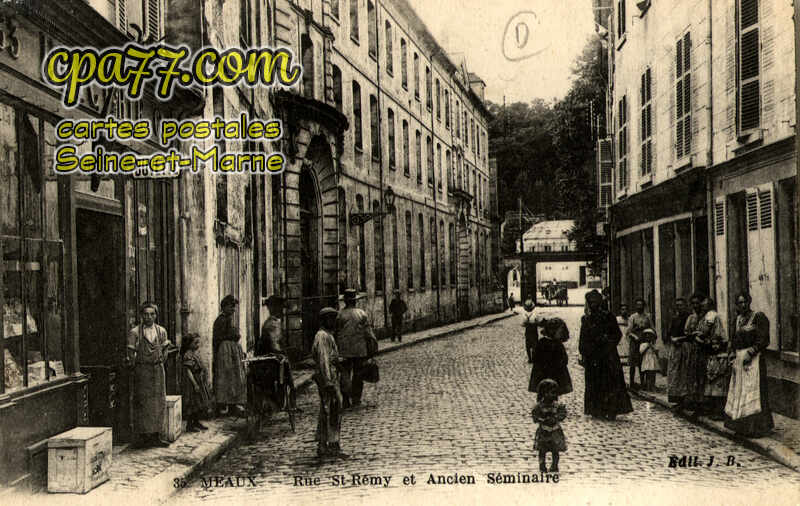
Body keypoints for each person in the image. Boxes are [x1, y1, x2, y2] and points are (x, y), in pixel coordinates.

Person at [724, 292, 774, 437]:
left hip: (754, 359)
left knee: (753, 392)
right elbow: (734, 339)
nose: (742, 305)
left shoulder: (758, 317)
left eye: (745, 302)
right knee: (740, 392)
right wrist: (733, 353)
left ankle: (757, 428)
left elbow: (763, 339)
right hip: (740, 359)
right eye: (739, 303)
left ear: (749, 302)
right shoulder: (738, 319)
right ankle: (742, 426)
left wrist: (751, 352)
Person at [578, 290, 633, 420]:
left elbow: (617, 334)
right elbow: (583, 338)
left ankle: (612, 409)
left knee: (611, 383)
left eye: (595, 302)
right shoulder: (586, 319)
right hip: (593, 357)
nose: (593, 305)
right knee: (594, 383)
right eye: (590, 303)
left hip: (608, 356)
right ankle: (596, 409)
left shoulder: (608, 316)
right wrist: (584, 352)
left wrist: (608, 343)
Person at [126, 302, 172, 447]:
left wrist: (161, 359)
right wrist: (136, 365)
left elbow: (165, 349)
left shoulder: (161, 331)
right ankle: (143, 437)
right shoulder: (135, 332)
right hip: (142, 370)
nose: (149, 317)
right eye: (146, 314)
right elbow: (130, 353)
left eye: (152, 314)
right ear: (141, 315)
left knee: (158, 401)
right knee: (143, 402)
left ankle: (156, 436)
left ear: (156, 315)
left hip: (157, 370)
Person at [312, 307, 347, 458]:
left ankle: (323, 444)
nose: (333, 322)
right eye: (330, 319)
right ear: (324, 320)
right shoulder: (322, 337)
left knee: (328, 409)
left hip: (331, 376)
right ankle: (332, 444)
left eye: (334, 319)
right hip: (327, 378)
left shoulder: (327, 335)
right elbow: (323, 360)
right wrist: (328, 382)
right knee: (332, 409)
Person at [336, 289, 377, 408]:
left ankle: (345, 400)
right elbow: (368, 333)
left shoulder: (340, 315)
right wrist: (373, 347)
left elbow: (336, 332)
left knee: (344, 374)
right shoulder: (361, 314)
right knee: (358, 375)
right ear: (355, 301)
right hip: (359, 350)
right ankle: (356, 399)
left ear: (345, 302)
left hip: (343, 351)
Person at [258, 295, 299, 411]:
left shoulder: (273, 322)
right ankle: (286, 402)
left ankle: (289, 402)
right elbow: (273, 344)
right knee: (286, 377)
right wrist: (282, 352)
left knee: (287, 374)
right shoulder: (272, 324)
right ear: (273, 308)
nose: (281, 310)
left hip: (272, 356)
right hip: (271, 358)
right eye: (279, 308)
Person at [212, 295, 246, 416]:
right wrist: (233, 337)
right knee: (226, 377)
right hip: (225, 352)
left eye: (234, 307)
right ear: (224, 307)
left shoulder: (229, 319)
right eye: (231, 307)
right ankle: (224, 405)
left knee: (234, 377)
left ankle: (233, 404)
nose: (233, 309)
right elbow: (218, 339)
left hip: (232, 352)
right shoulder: (220, 320)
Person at [681, 293, 712, 417]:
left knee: (705, 377)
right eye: (693, 303)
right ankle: (695, 404)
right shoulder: (691, 318)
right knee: (694, 377)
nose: (695, 305)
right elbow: (686, 332)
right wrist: (692, 335)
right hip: (693, 350)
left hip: (705, 351)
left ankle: (704, 405)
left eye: (697, 303)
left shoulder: (707, 317)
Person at [700, 298, 729, 420]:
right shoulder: (708, 316)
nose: (703, 308)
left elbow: (709, 333)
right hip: (712, 351)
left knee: (718, 384)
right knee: (712, 383)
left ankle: (719, 411)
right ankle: (713, 409)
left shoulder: (713, 316)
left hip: (718, 352)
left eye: (704, 306)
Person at [529, 318, 573, 396]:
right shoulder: (552, 344)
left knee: (551, 394)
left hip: (550, 374)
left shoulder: (547, 343)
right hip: (548, 374)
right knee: (545, 393)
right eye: (560, 332)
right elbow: (536, 358)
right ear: (552, 331)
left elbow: (564, 359)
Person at [532, 379, 567, 473]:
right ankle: (542, 465)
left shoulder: (558, 406)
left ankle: (555, 465)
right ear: (543, 393)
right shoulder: (539, 406)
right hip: (543, 430)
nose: (553, 395)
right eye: (550, 393)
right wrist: (542, 419)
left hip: (555, 430)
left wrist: (556, 418)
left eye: (554, 393)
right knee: (542, 450)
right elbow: (535, 416)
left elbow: (563, 414)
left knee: (555, 450)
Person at [181, 333, 211, 432]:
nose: (198, 345)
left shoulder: (194, 353)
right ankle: (190, 425)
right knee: (192, 403)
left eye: (198, 342)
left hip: (198, 380)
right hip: (192, 382)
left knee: (199, 402)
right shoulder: (188, 355)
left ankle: (196, 422)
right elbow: (188, 371)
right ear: (189, 344)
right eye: (195, 343)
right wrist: (195, 384)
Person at [666, 298, 692, 410]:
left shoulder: (689, 318)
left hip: (685, 347)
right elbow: (670, 332)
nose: (679, 307)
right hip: (675, 348)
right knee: (674, 373)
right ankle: (677, 400)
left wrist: (680, 339)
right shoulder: (675, 319)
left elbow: (690, 334)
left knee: (683, 373)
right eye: (677, 305)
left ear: (685, 306)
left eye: (681, 305)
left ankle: (685, 400)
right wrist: (672, 338)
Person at [626, 298, 654, 390]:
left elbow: (652, 328)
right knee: (632, 363)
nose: (639, 307)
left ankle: (643, 383)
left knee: (642, 362)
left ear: (644, 306)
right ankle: (632, 382)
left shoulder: (647, 317)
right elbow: (628, 332)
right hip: (634, 342)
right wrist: (635, 337)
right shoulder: (632, 317)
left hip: (643, 342)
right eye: (637, 305)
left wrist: (650, 338)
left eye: (641, 305)